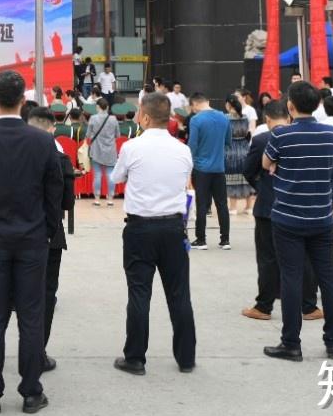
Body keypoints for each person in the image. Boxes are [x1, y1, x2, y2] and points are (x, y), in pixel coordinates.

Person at [0, 69, 63, 415]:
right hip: (33, 239)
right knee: (31, 316)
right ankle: (32, 391)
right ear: (22, 101)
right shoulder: (43, 141)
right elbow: (54, 193)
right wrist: (49, 231)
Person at [110, 91, 196, 377]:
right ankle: (186, 357)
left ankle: (135, 358)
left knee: (139, 292)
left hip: (140, 228)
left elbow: (116, 178)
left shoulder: (132, 147)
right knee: (179, 293)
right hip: (173, 227)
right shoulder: (182, 149)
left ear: (145, 117)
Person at [261, 80, 333, 362]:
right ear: (318, 105)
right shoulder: (329, 133)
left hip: (288, 217)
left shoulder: (281, 135)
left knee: (291, 278)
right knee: (327, 278)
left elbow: (265, 164)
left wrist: (280, 165)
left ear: (290, 107)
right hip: (321, 216)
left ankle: (291, 343)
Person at [242, 100, 321, 323]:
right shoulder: (302, 137)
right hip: (298, 205)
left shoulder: (260, 140)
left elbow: (248, 171)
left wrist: (262, 188)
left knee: (268, 258)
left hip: (268, 207)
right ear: (289, 118)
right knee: (304, 257)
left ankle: (264, 306)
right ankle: (309, 306)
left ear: (266, 120)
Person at [23, 104, 73, 370]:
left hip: (13, 232)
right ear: (52, 129)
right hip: (49, 235)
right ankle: (36, 353)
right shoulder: (60, 157)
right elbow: (67, 202)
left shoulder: (12, 153)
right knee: (45, 294)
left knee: (6, 295)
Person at [186, 93, 231, 249]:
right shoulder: (224, 118)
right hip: (219, 167)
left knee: (202, 204)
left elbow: (192, 146)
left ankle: (201, 239)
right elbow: (228, 142)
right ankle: (225, 240)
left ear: (194, 104)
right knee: (222, 204)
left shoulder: (196, 120)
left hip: (201, 168)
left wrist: (189, 168)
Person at [85, 98, 120, 207]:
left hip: (96, 150)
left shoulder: (93, 118)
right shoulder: (113, 119)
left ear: (98, 107)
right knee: (110, 174)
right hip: (110, 151)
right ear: (108, 107)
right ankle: (110, 199)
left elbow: (88, 135)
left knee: (98, 174)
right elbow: (117, 135)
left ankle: (97, 199)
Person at [225, 96, 255, 217]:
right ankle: (249, 207)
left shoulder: (226, 118)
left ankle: (233, 208)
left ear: (229, 105)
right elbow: (248, 133)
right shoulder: (245, 118)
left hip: (231, 149)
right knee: (246, 177)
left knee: (232, 178)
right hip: (244, 149)